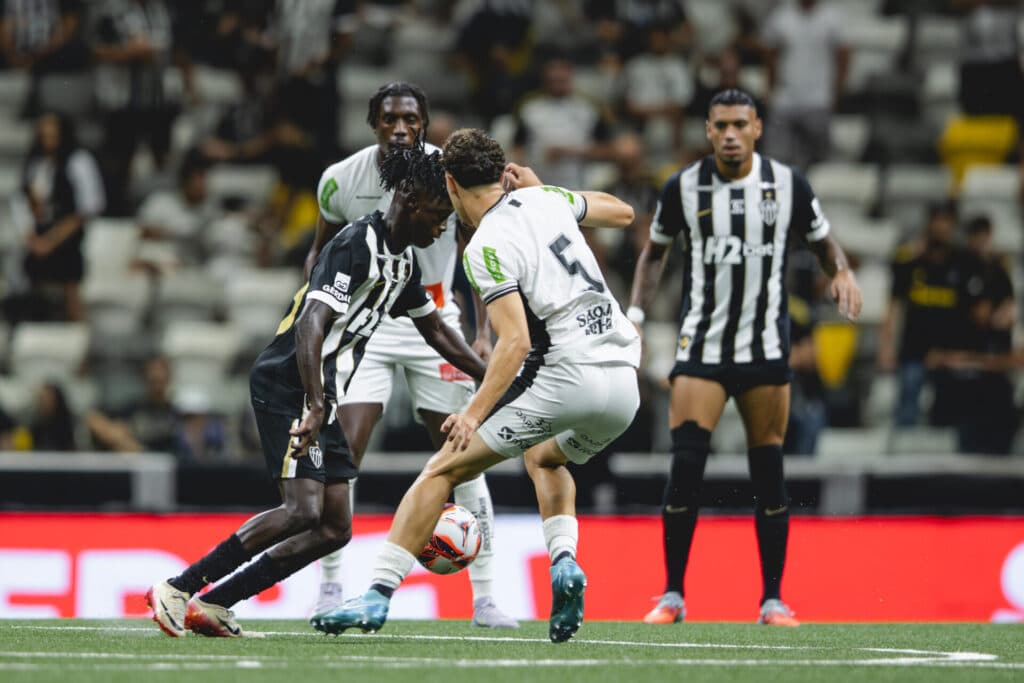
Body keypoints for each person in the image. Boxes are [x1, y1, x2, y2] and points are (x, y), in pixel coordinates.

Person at [145, 143, 488, 638]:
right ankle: (179, 587)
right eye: (438, 216)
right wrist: (317, 403)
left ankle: (215, 603)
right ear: (411, 201)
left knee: (334, 527)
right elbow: (311, 322)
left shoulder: (403, 263)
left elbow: (436, 332)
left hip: (320, 393)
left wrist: (496, 377)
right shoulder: (356, 244)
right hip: (290, 383)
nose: (441, 229)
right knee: (302, 510)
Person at [312, 128, 640, 644]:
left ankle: (376, 593)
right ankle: (565, 563)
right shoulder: (543, 198)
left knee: (440, 469)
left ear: (451, 184)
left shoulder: (484, 244)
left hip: (567, 376)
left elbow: (513, 343)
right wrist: (540, 187)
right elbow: (622, 212)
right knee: (546, 459)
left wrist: (473, 414)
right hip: (624, 382)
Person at [628, 89, 861, 626]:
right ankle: (671, 595)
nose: (730, 134)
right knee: (685, 465)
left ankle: (773, 599)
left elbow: (825, 243)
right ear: (708, 131)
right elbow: (653, 254)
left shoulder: (788, 185)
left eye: (740, 124)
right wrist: (637, 317)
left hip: (765, 349)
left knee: (769, 474)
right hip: (703, 346)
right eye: (720, 125)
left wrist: (842, 272)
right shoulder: (683, 187)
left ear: (757, 127)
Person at [305, 82, 517, 628]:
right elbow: (320, 251)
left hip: (436, 317)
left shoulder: (447, 172)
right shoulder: (339, 181)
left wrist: (483, 331)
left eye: (411, 120)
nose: (401, 129)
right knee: (342, 450)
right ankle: (329, 584)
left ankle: (487, 596)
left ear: (424, 124)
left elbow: (477, 247)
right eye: (390, 119)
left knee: (463, 452)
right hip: (368, 321)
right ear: (372, 121)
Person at [20, 111, 105, 322]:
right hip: (40, 235)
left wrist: (51, 240)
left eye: (53, 136)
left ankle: (78, 342)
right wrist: (33, 235)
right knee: (36, 294)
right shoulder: (37, 164)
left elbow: (88, 208)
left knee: (71, 291)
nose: (48, 141)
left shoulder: (79, 161)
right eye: (44, 136)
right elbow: (28, 203)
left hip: (67, 238)